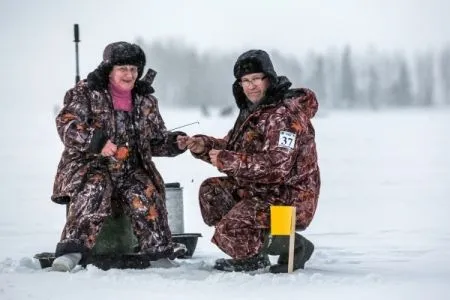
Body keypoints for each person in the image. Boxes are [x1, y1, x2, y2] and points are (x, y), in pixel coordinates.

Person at [51, 41, 188, 272]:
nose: (129, 74)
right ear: (109, 70)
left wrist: (176, 143)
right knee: (95, 187)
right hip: (89, 165)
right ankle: (72, 251)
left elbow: (155, 140)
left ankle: (158, 252)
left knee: (145, 192)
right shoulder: (86, 92)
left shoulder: (145, 100)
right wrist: (97, 142)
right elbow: (66, 125)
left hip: (129, 168)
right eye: (122, 68)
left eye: (134, 69)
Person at [182, 49, 321, 273]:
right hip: (262, 190)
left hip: (287, 198)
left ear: (269, 78)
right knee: (212, 192)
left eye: (256, 79)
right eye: (245, 81)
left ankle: (287, 247)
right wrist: (204, 146)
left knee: (230, 229)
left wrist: (227, 160)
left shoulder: (283, 116)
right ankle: (255, 248)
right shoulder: (255, 111)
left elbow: (277, 167)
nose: (251, 86)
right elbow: (233, 147)